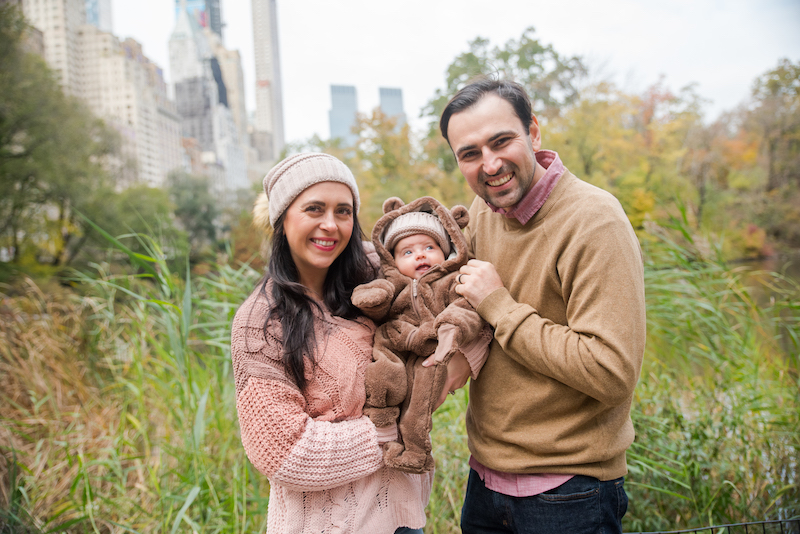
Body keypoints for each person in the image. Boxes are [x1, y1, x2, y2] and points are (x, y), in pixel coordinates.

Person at [439, 78, 646, 533]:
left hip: (570, 492)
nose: (490, 165)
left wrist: (500, 305)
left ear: (533, 133)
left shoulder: (594, 221)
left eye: (501, 141)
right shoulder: (479, 213)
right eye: (470, 153)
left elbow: (610, 371)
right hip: (485, 482)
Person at [230, 153, 431, 534]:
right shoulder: (260, 322)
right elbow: (283, 452)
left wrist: (458, 362)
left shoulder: (374, 277)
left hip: (404, 520)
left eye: (343, 211)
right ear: (282, 218)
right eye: (314, 209)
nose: (330, 225)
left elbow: (445, 291)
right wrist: (396, 429)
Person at [351, 196, 488, 474]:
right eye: (408, 252)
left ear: (446, 250)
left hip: (434, 348)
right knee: (383, 369)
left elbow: (466, 308)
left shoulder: (451, 280)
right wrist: (374, 298)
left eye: (429, 247)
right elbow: (381, 302)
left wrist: (452, 327)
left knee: (421, 398)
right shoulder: (395, 282)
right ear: (393, 260)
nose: (421, 255)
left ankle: (415, 450)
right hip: (397, 339)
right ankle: (382, 420)